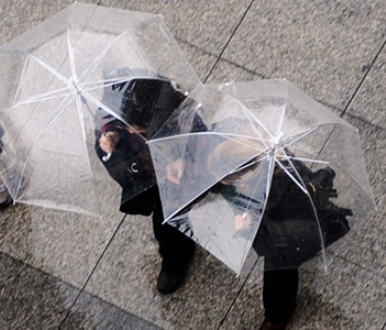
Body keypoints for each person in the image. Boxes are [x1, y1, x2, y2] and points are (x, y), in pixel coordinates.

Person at [205, 138, 351, 330]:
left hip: (307, 227)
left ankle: (277, 316)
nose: (227, 185)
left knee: (279, 265)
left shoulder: (286, 188)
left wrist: (248, 228)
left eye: (230, 181)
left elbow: (277, 238)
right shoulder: (253, 158)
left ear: (247, 174)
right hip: (278, 213)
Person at [94, 76, 206, 293]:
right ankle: (174, 254)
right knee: (163, 222)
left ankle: (176, 257)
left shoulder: (186, 121)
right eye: (129, 127)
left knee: (168, 222)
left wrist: (181, 158)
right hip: (145, 179)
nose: (131, 132)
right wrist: (110, 150)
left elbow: (205, 149)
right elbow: (115, 162)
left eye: (139, 129)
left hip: (175, 184)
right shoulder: (115, 119)